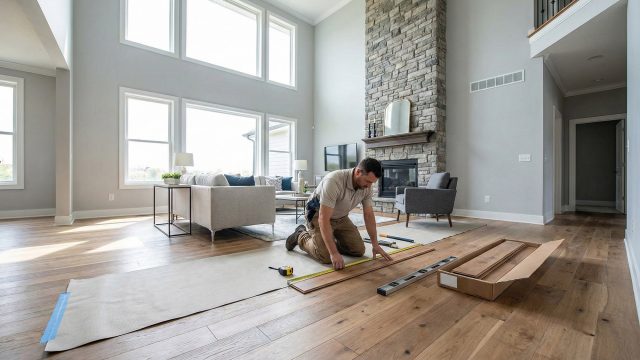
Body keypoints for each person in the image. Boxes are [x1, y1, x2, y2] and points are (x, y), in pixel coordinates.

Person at [286, 157, 393, 270]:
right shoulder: (334, 180)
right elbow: (323, 219)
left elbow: (368, 215)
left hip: (341, 217)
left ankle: (329, 239)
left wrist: (375, 244)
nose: (369, 186)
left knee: (358, 250)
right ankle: (300, 235)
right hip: (317, 214)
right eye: (368, 181)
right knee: (326, 257)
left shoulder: (367, 187)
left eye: (372, 183)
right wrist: (333, 253)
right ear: (357, 172)